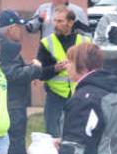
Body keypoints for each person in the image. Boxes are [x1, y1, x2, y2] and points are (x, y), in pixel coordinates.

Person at [0, 10, 42, 154]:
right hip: (11, 104)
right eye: (18, 27)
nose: (21, 31)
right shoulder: (5, 47)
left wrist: (27, 68)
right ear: (11, 28)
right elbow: (11, 75)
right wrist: (34, 69)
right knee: (15, 147)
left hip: (4, 102)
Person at [36, 7, 92, 137]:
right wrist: (55, 68)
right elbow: (40, 73)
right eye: (55, 21)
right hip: (55, 97)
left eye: (60, 21)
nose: (56, 24)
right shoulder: (46, 42)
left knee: (79, 134)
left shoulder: (85, 42)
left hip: (80, 95)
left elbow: (93, 70)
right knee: (53, 136)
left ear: (71, 23)